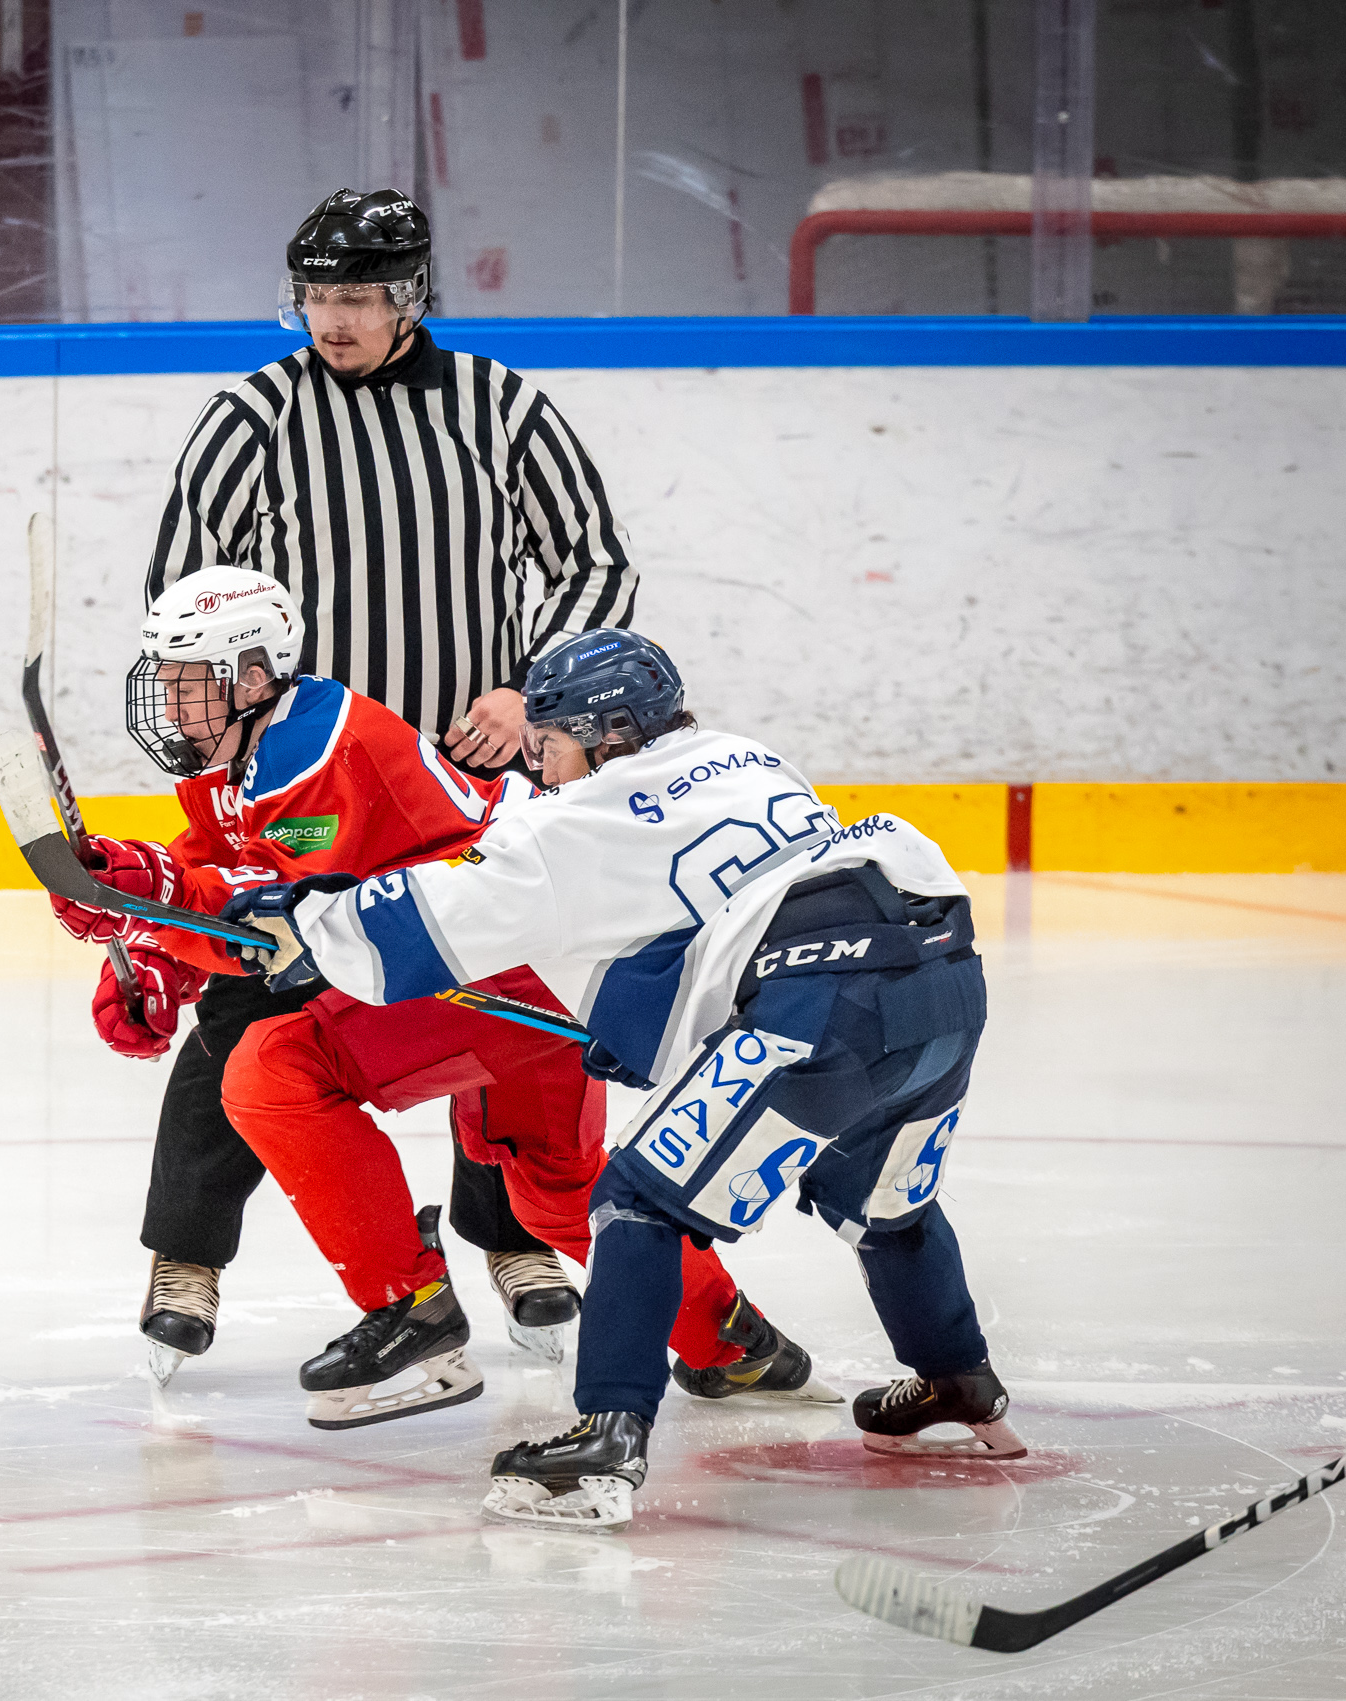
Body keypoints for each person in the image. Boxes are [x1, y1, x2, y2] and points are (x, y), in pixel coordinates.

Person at [220, 630, 1019, 1524]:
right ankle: (960, 1382)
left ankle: (606, 1438)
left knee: (635, 1203)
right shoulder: (746, 756)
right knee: (888, 1206)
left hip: (823, 999)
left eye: (550, 742)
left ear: (608, 734)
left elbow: (443, 912)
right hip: (944, 977)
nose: (541, 765)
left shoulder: (581, 817)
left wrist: (305, 921)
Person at [62, 572, 833, 1428]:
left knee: (272, 1071)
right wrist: (154, 942)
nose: (169, 702)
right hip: (536, 962)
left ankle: (412, 1304)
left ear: (249, 676)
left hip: (497, 965)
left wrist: (155, 909)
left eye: (186, 681)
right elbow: (222, 855)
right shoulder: (244, 742)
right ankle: (739, 1344)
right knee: (553, 1189)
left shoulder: (318, 752)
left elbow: (296, 928)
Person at [127, 185, 642, 1366]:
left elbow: (594, 563)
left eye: (358, 297)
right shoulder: (253, 416)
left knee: (491, 1003)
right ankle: (188, 1256)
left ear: (412, 297)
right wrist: (223, 750)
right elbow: (184, 595)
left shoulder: (501, 406)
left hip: (462, 789)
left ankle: (512, 1239)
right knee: (250, 999)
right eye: (316, 297)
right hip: (310, 786)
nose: (334, 320)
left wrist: (530, 692)